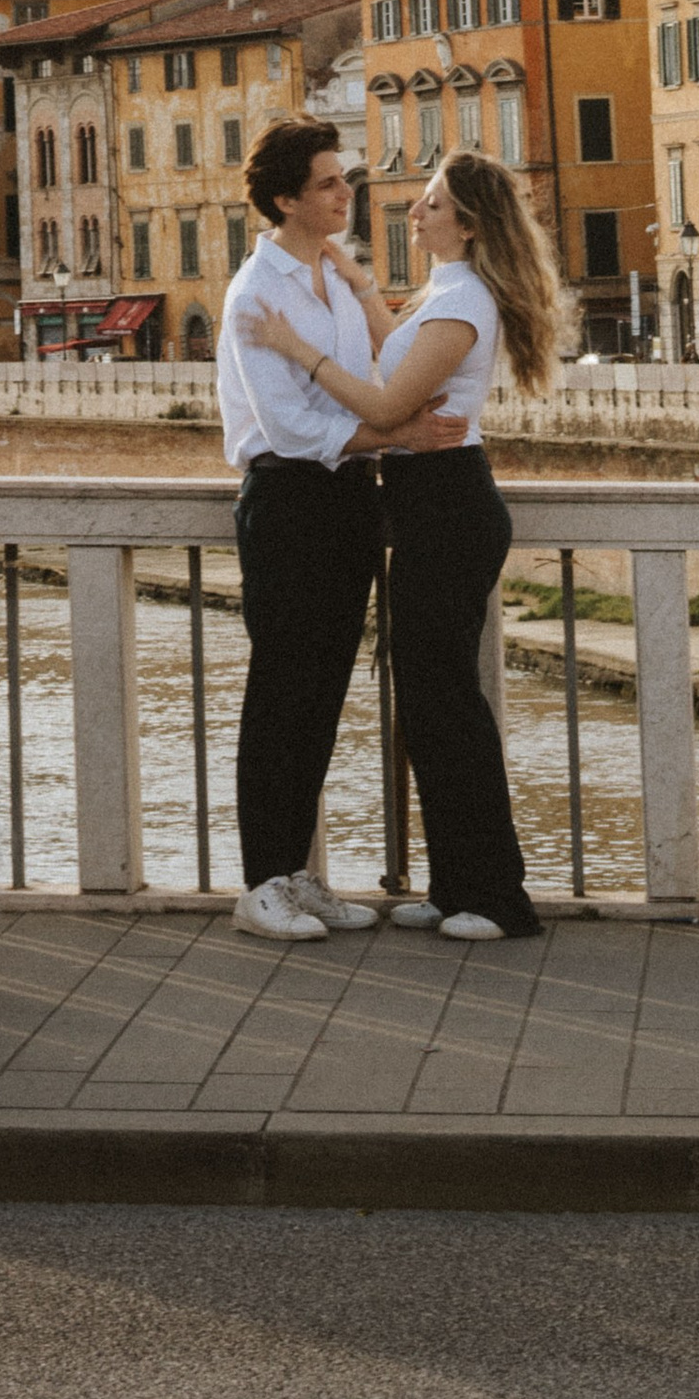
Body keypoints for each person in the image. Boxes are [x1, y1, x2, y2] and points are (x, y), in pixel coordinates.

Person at [249, 149, 554, 939]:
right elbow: (397, 354)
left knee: (447, 705)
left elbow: (386, 407)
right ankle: (455, 887)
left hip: (449, 508)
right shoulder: (449, 290)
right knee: (428, 703)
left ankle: (497, 897)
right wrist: (356, 283)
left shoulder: (466, 299)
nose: (413, 212)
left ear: (470, 224)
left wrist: (297, 348)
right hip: (428, 507)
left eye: (432, 204)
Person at [216, 118, 464, 942]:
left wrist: (360, 292)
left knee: (322, 695)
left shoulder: (331, 277)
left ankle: (294, 874)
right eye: (327, 183)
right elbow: (287, 428)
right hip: (288, 501)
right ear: (285, 200)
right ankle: (261, 884)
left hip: (349, 498)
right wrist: (394, 433)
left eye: (343, 179)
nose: (344, 193)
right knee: (280, 694)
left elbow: (378, 375)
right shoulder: (257, 294)